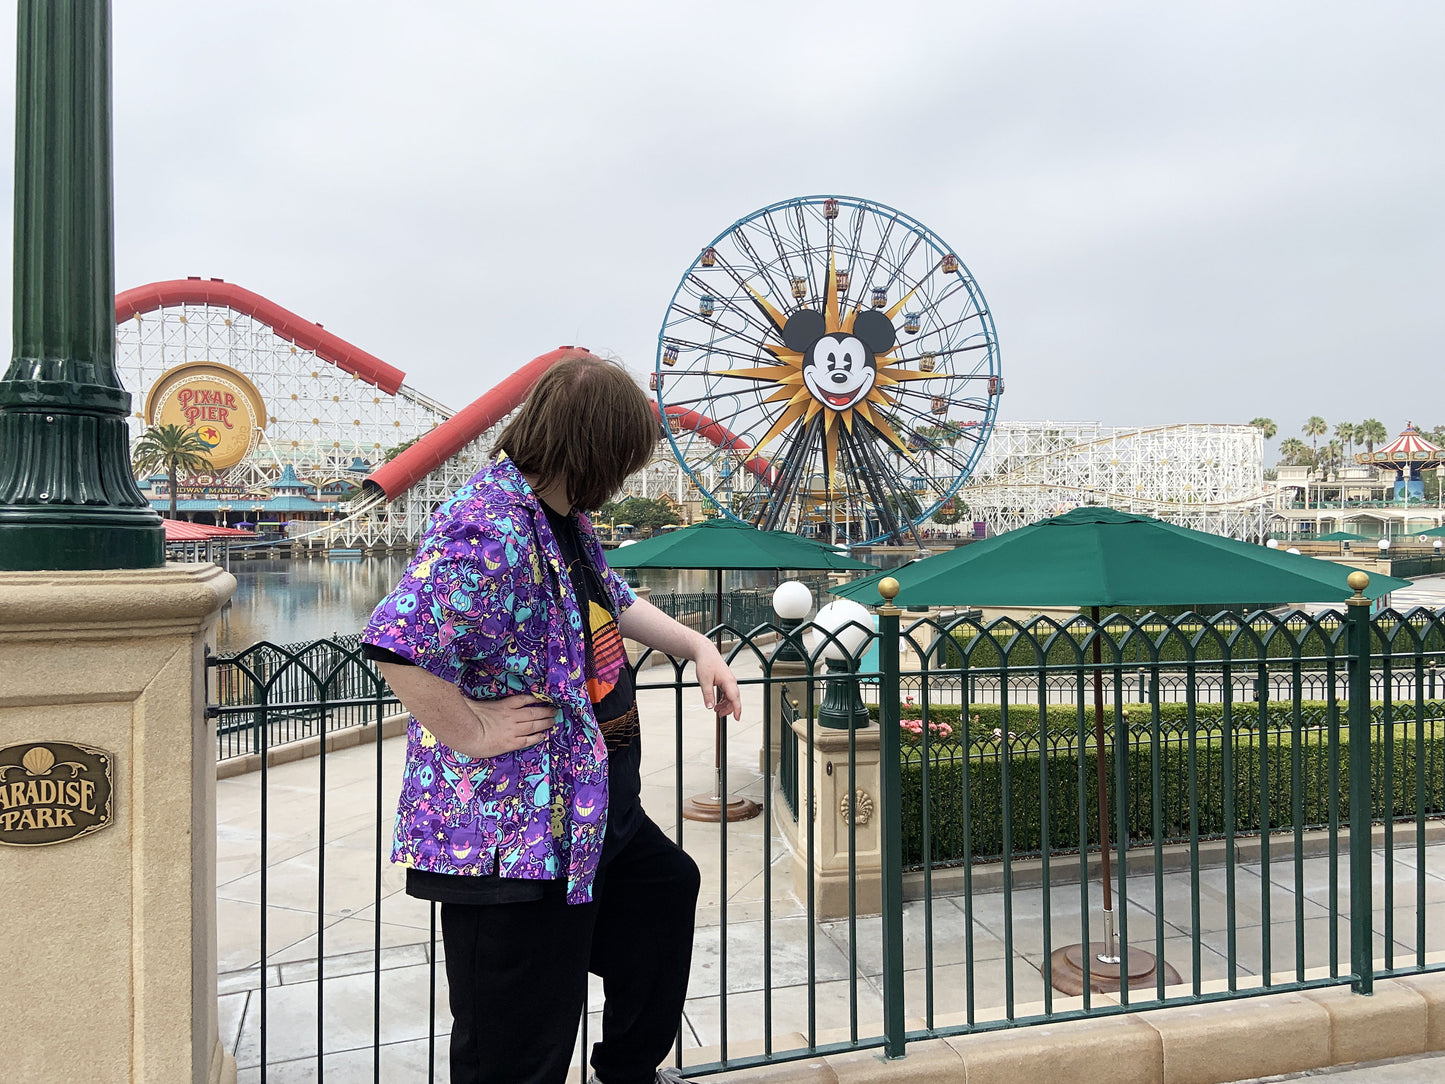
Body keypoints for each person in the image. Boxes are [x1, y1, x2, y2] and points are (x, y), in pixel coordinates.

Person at [361, 355, 740, 1084]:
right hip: (515, 837)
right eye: (624, 457)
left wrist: (696, 645)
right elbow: (394, 640)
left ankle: (628, 1070)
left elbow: (612, 596)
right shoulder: (490, 529)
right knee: (519, 1040)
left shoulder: (560, 517)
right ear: (598, 450)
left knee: (663, 896)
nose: (628, 473)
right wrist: (471, 729)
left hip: (586, 813)